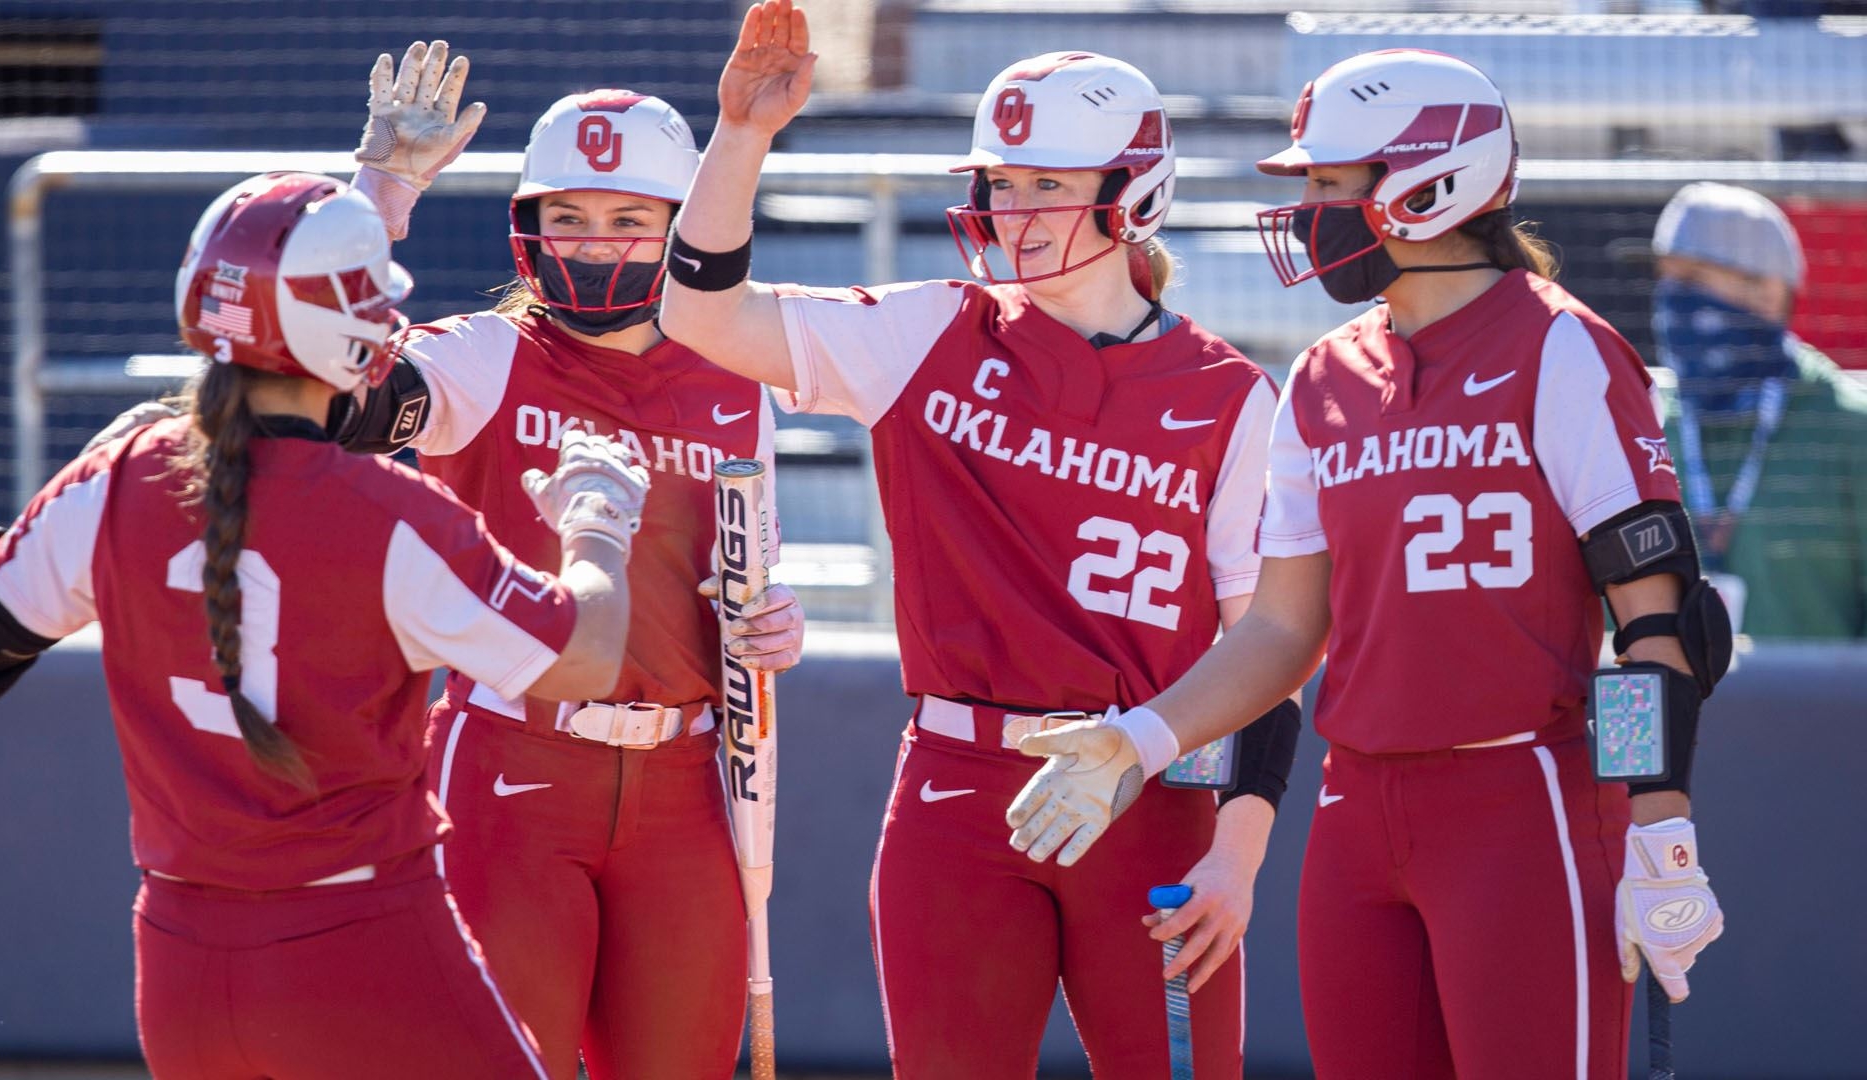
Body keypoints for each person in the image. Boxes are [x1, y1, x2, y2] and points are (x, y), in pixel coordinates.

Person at [1005, 50, 1732, 1080]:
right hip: (1356, 814)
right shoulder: (1322, 375)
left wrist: (1661, 830)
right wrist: (1136, 739)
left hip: (1522, 797)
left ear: (1432, 182)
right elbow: (1279, 632)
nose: (1307, 209)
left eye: (1327, 183)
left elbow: (1656, 623)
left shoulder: (1562, 349)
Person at [660, 4, 1302, 1076]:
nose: (1016, 213)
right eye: (1003, 184)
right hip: (956, 790)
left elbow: (1265, 653)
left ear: (1131, 193)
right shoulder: (930, 329)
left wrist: (1239, 858)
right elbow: (703, 318)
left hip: (1150, 793)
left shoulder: (1232, 398)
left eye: (1050, 185)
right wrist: (742, 136)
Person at [0, 172, 652, 1079]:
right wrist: (596, 524)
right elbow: (587, 657)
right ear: (351, 335)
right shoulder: (391, 516)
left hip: (180, 961)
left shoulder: (120, 479)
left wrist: (82, 493)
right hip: (364, 947)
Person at [332, 40, 806, 1080]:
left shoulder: (740, 369)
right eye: (571, 217)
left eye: (630, 218)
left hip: (692, 786)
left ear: (683, 229)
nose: (597, 244)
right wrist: (379, 196)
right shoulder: (486, 354)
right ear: (529, 230)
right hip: (510, 769)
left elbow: (751, 573)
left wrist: (776, 619)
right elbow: (329, 388)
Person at [1651, 181, 1867, 639]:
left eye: (1692, 280)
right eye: (1666, 278)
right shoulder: (1643, 426)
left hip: (1821, 711)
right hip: (1675, 711)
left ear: (1767, 294)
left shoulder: (1849, 429)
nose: (1671, 299)